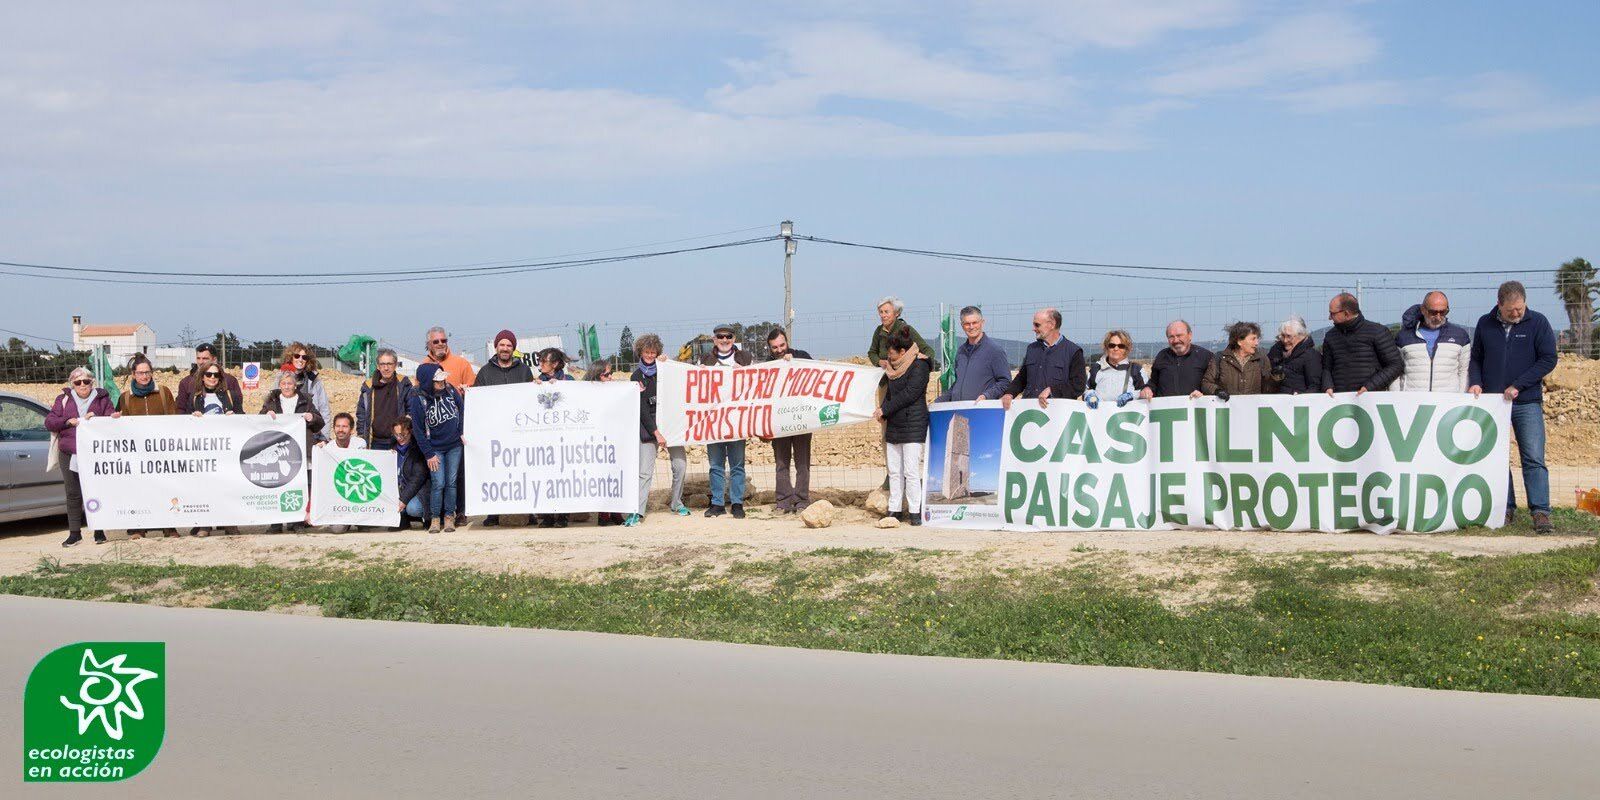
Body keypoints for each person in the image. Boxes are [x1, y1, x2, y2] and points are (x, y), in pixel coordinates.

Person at [1469, 280, 1558, 533]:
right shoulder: (1485, 323)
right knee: (1497, 458)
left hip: (1526, 402)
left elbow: (1548, 359)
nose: (1517, 314)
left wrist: (1519, 384)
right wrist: (1475, 382)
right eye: (1511, 310)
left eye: (1520, 309)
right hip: (1493, 403)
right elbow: (1476, 358)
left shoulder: (1538, 323)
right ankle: (1504, 508)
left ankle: (1541, 512)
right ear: (1499, 305)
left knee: (1533, 457)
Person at [45, 367, 118, 547]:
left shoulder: (102, 399)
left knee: (96, 490)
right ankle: (74, 533)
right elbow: (49, 422)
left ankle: (99, 531)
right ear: (72, 384)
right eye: (78, 382)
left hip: (94, 453)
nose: (82, 385)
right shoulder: (62, 400)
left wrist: (109, 418)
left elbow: (110, 420)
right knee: (73, 493)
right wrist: (67, 421)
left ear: (92, 382)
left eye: (86, 381)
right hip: (69, 453)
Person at [117, 354, 181, 539]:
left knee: (165, 488)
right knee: (138, 489)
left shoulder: (163, 392)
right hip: (137, 454)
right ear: (133, 374)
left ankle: (169, 527)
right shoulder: (125, 398)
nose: (144, 376)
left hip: (162, 451)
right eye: (140, 373)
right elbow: (122, 427)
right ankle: (138, 527)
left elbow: (173, 419)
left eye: (147, 372)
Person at [472, 331, 532, 527]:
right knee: (495, 472)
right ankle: (494, 512)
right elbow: (477, 402)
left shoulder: (524, 371)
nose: (505, 348)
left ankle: (527, 510)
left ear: (513, 349)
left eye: (508, 345)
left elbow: (531, 398)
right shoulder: (485, 373)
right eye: (502, 345)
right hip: (494, 432)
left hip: (519, 432)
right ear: (496, 347)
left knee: (522, 471)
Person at [876, 331, 930, 526]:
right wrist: (884, 413)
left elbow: (910, 393)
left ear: (902, 351)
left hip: (913, 424)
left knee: (911, 470)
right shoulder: (892, 369)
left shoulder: (920, 366)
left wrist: (885, 408)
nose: (889, 357)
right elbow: (891, 394)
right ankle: (895, 509)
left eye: (891, 353)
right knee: (894, 470)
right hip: (895, 424)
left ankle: (915, 510)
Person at [700, 325, 753, 518]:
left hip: (736, 420)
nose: (724, 340)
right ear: (714, 339)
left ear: (733, 338)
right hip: (713, 421)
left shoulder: (745, 358)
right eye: (720, 337)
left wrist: (746, 373)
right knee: (716, 464)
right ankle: (717, 503)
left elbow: (757, 383)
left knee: (737, 464)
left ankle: (737, 503)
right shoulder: (705, 360)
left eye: (728, 336)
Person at [262, 369, 324, 532]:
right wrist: (266, 414)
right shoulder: (272, 400)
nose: (287, 386)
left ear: (295, 385)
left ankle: (296, 521)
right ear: (279, 385)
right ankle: (276, 523)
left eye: (290, 383)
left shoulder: (306, 400)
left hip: (300, 450)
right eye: (284, 383)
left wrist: (312, 418)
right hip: (278, 450)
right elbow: (259, 421)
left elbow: (319, 422)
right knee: (278, 485)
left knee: (298, 485)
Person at [186, 364, 243, 537]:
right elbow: (185, 424)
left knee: (228, 485)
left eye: (216, 374)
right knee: (205, 487)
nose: (212, 377)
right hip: (204, 451)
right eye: (208, 374)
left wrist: (235, 416)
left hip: (226, 450)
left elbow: (243, 417)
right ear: (202, 376)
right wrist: (192, 417)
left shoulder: (230, 396)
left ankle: (230, 522)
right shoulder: (194, 398)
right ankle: (206, 523)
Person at [629, 334, 680, 526]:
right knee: (645, 472)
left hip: (671, 425)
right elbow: (641, 408)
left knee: (680, 465)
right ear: (640, 353)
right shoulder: (635, 376)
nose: (650, 355)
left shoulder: (665, 370)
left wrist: (669, 362)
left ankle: (677, 503)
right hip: (648, 427)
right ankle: (638, 511)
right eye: (646, 352)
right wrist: (656, 432)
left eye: (653, 352)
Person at [409, 364, 465, 534]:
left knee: (452, 482)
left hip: (454, 445)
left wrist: (461, 431)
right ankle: (435, 518)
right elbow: (418, 429)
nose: (442, 382)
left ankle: (449, 516)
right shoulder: (418, 399)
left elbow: (461, 410)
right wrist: (429, 453)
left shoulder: (450, 390)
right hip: (435, 449)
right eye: (437, 380)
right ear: (428, 381)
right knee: (438, 482)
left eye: (443, 379)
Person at [765, 329, 815, 514]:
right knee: (781, 463)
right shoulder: (767, 365)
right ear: (770, 348)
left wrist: (794, 362)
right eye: (774, 347)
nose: (779, 350)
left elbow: (816, 373)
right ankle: (783, 501)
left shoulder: (802, 356)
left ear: (787, 342)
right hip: (779, 421)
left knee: (802, 462)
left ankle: (802, 500)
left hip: (801, 418)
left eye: (782, 345)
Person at [1000, 308, 1085, 410]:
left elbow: (1078, 385)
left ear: (1051, 325)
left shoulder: (1073, 351)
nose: (1033, 329)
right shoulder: (1032, 349)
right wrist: (1009, 393)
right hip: (1029, 412)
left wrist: (1052, 390)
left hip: (1057, 413)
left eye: (1037, 325)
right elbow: (1022, 378)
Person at [1321, 293, 1403, 395]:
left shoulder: (1378, 332)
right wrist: (1327, 386)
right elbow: (1326, 368)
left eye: (1332, 313)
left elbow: (1396, 365)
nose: (1329, 317)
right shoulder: (1330, 337)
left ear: (1346, 313)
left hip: (1370, 399)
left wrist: (1371, 386)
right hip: (1340, 401)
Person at [1393, 291, 1471, 393]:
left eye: (1443, 312)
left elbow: (1464, 371)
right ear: (1423, 310)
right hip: (1411, 401)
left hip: (1449, 402)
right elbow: (1395, 371)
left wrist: (1461, 398)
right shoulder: (1403, 337)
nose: (1438, 317)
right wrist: (1395, 396)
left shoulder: (1460, 336)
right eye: (1433, 312)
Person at [933, 305, 1010, 403]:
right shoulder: (961, 351)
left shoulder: (994, 350)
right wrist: (939, 401)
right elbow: (958, 384)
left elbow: (1005, 382)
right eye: (967, 324)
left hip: (980, 411)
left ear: (982, 323)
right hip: (959, 411)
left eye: (975, 323)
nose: (971, 327)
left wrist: (986, 396)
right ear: (962, 325)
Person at [533, 348, 574, 528]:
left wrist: (562, 387)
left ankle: (563, 515)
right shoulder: (537, 382)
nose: (540, 365)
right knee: (545, 477)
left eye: (543, 361)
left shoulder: (569, 381)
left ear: (555, 364)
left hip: (563, 438)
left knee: (562, 476)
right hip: (544, 440)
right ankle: (548, 515)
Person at [582, 359, 625, 526]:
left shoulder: (613, 390)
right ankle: (603, 514)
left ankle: (615, 512)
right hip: (596, 440)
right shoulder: (586, 392)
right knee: (601, 476)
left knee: (615, 474)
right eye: (607, 375)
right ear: (597, 375)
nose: (611, 377)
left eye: (611, 374)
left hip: (614, 438)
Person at [315, 412, 367, 533]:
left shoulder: (360, 443)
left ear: (351, 430)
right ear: (333, 429)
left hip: (357, 492)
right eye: (338, 426)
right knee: (337, 529)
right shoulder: (327, 448)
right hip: (338, 497)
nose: (340, 430)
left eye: (344, 426)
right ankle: (347, 521)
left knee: (366, 527)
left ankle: (357, 520)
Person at [1201, 322, 1279, 397]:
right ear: (1240, 341)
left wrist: (1275, 377)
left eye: (1257, 339)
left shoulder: (1261, 359)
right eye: (1253, 339)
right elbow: (1206, 383)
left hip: (1253, 408)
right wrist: (1217, 391)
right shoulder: (1220, 358)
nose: (1256, 343)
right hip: (1227, 408)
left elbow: (1268, 390)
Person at [356, 348, 413, 451]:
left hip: (399, 440)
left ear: (395, 365)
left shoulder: (403, 384)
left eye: (389, 364)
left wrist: (406, 430)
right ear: (378, 366)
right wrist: (361, 435)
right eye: (382, 364)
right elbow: (361, 413)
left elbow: (411, 408)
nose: (386, 368)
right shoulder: (368, 386)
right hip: (375, 442)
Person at [1141, 320, 1212, 399]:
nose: (1175, 340)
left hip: (1195, 409)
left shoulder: (1205, 356)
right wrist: (1147, 388)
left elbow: (1213, 385)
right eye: (1171, 337)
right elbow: (1154, 382)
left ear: (1190, 335)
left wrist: (1204, 395)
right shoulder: (1162, 356)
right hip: (1165, 410)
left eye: (1179, 335)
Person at [867, 296, 934, 371]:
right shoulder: (878, 330)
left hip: (905, 373)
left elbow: (928, 350)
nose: (883, 315)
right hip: (883, 372)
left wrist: (923, 361)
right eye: (881, 312)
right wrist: (879, 362)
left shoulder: (906, 329)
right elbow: (872, 352)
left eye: (886, 312)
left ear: (897, 313)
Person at [279, 343, 331, 437]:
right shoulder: (281, 377)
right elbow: (273, 402)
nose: (300, 359)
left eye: (304, 357)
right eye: (297, 356)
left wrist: (324, 437)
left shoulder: (313, 379)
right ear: (291, 357)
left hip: (309, 431)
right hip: (286, 430)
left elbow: (324, 409)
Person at [175, 343, 243, 414]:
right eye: (198, 358)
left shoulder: (230, 381)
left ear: (214, 360)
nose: (200, 362)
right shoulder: (186, 382)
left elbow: (238, 406)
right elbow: (181, 408)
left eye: (205, 358)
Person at [1086, 330, 1146, 407]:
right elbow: (1085, 389)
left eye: (1121, 346)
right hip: (1100, 416)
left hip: (1127, 416)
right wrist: (1089, 395)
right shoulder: (1096, 369)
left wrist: (1132, 395)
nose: (1116, 349)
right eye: (1112, 345)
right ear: (1106, 347)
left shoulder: (1136, 370)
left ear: (1127, 349)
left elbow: (1146, 392)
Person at [392, 417, 432, 531]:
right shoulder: (392, 449)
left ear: (410, 432)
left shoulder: (419, 449)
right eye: (396, 435)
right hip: (400, 489)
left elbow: (418, 478)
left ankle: (425, 516)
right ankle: (403, 519)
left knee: (413, 509)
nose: (400, 438)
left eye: (403, 435)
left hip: (418, 491)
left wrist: (404, 500)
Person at [1267, 315, 1322, 394]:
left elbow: (1314, 386)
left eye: (1289, 336)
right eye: (1282, 336)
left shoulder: (1311, 356)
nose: (1285, 340)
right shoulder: (1275, 352)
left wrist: (1300, 399)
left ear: (1301, 336)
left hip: (1298, 403)